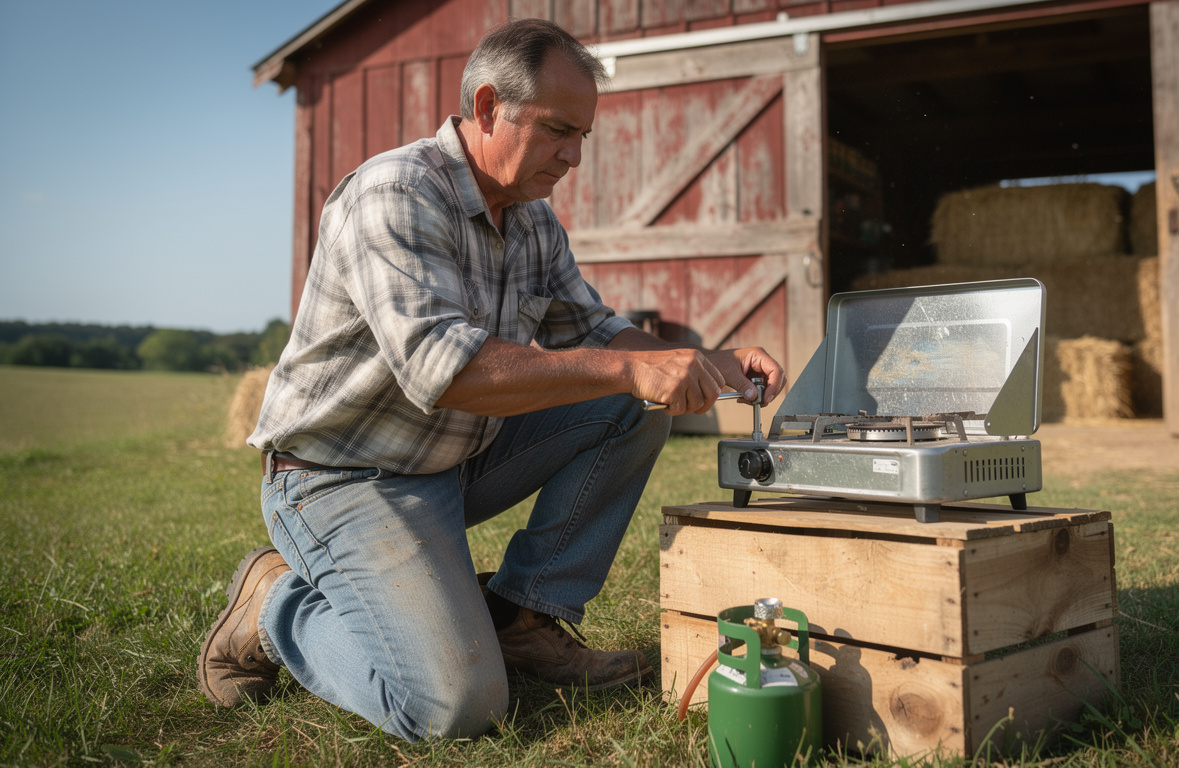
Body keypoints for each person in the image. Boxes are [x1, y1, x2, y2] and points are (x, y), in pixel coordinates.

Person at [197, 18, 785, 742]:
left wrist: (715, 364)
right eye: (557, 131)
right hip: (340, 478)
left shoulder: (533, 223)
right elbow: (443, 371)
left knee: (632, 404)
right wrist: (632, 367)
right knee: (454, 705)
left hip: (450, 463)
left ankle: (522, 615)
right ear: (485, 108)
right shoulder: (395, 194)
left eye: (584, 137)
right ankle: (273, 602)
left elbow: (597, 335)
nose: (573, 157)